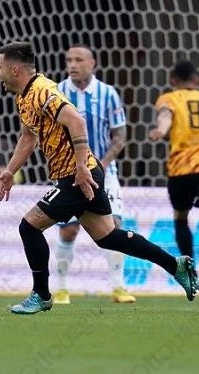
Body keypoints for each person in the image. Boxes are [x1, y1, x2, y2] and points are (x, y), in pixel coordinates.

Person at [0, 42, 197, 314]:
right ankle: (175, 265)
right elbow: (28, 138)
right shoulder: (24, 97)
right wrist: (10, 170)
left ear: (15, 70)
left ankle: (41, 295)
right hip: (84, 172)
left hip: (77, 176)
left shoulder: (43, 92)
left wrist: (80, 167)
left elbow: (77, 122)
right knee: (108, 237)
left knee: (29, 227)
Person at [54, 44, 134, 304]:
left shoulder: (108, 94)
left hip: (104, 172)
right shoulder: (57, 92)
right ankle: (62, 289)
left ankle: (118, 287)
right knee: (69, 230)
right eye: (69, 60)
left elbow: (119, 136)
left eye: (78, 60)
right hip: (68, 171)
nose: (72, 65)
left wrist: (101, 164)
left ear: (92, 64)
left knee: (114, 226)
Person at [149, 60, 199, 297]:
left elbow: (165, 116)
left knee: (181, 217)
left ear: (173, 80)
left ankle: (190, 271)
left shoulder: (168, 98)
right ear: (197, 80)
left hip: (181, 171)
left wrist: (161, 130)